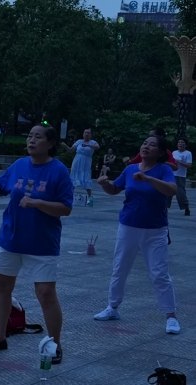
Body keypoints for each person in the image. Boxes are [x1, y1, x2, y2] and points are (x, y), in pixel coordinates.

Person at [0, 125, 73, 366]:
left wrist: (38, 203)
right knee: (2, 285)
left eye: (37, 137)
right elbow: (3, 186)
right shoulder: (19, 165)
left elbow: (65, 208)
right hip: (11, 237)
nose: (31, 140)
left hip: (42, 242)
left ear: (50, 143)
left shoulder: (58, 171)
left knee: (46, 293)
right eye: (29, 136)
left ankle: (54, 345)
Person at [94, 135, 181, 334]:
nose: (146, 147)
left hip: (156, 230)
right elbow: (115, 189)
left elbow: (172, 190)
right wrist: (104, 183)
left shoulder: (164, 170)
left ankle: (171, 316)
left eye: (152, 145)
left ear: (160, 152)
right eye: (144, 143)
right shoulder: (130, 169)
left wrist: (149, 178)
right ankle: (112, 307)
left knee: (159, 273)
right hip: (129, 226)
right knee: (120, 267)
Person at [61, 128, 99, 203]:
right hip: (77, 161)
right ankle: (69, 197)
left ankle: (90, 199)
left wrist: (89, 145)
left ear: (91, 135)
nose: (86, 134)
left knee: (86, 178)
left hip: (86, 163)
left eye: (88, 133)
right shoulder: (79, 141)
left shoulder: (93, 142)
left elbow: (97, 147)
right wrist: (65, 146)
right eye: (85, 132)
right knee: (74, 178)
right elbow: (71, 150)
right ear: (83, 133)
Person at [170, 138, 191, 216]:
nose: (180, 144)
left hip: (180, 176)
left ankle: (186, 208)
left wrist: (179, 162)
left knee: (180, 193)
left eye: (182, 142)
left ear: (185, 145)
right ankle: (164, 207)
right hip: (172, 174)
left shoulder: (188, 153)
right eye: (179, 142)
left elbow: (189, 165)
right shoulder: (174, 152)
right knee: (168, 190)